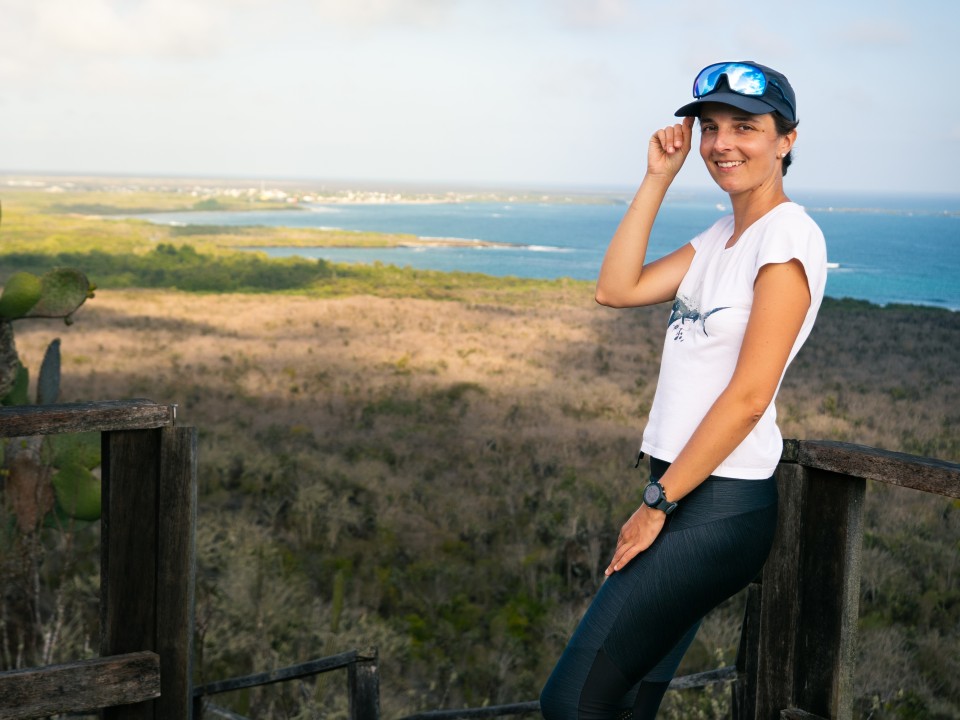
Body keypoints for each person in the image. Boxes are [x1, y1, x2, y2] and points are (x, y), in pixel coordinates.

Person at [539, 61, 827, 720]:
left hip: (716, 506)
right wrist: (656, 179)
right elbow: (616, 288)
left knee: (569, 703)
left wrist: (657, 503)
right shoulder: (721, 238)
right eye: (711, 127)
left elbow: (750, 395)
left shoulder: (787, 238)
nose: (722, 143)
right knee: (626, 703)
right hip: (687, 494)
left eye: (745, 127)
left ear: (787, 140)